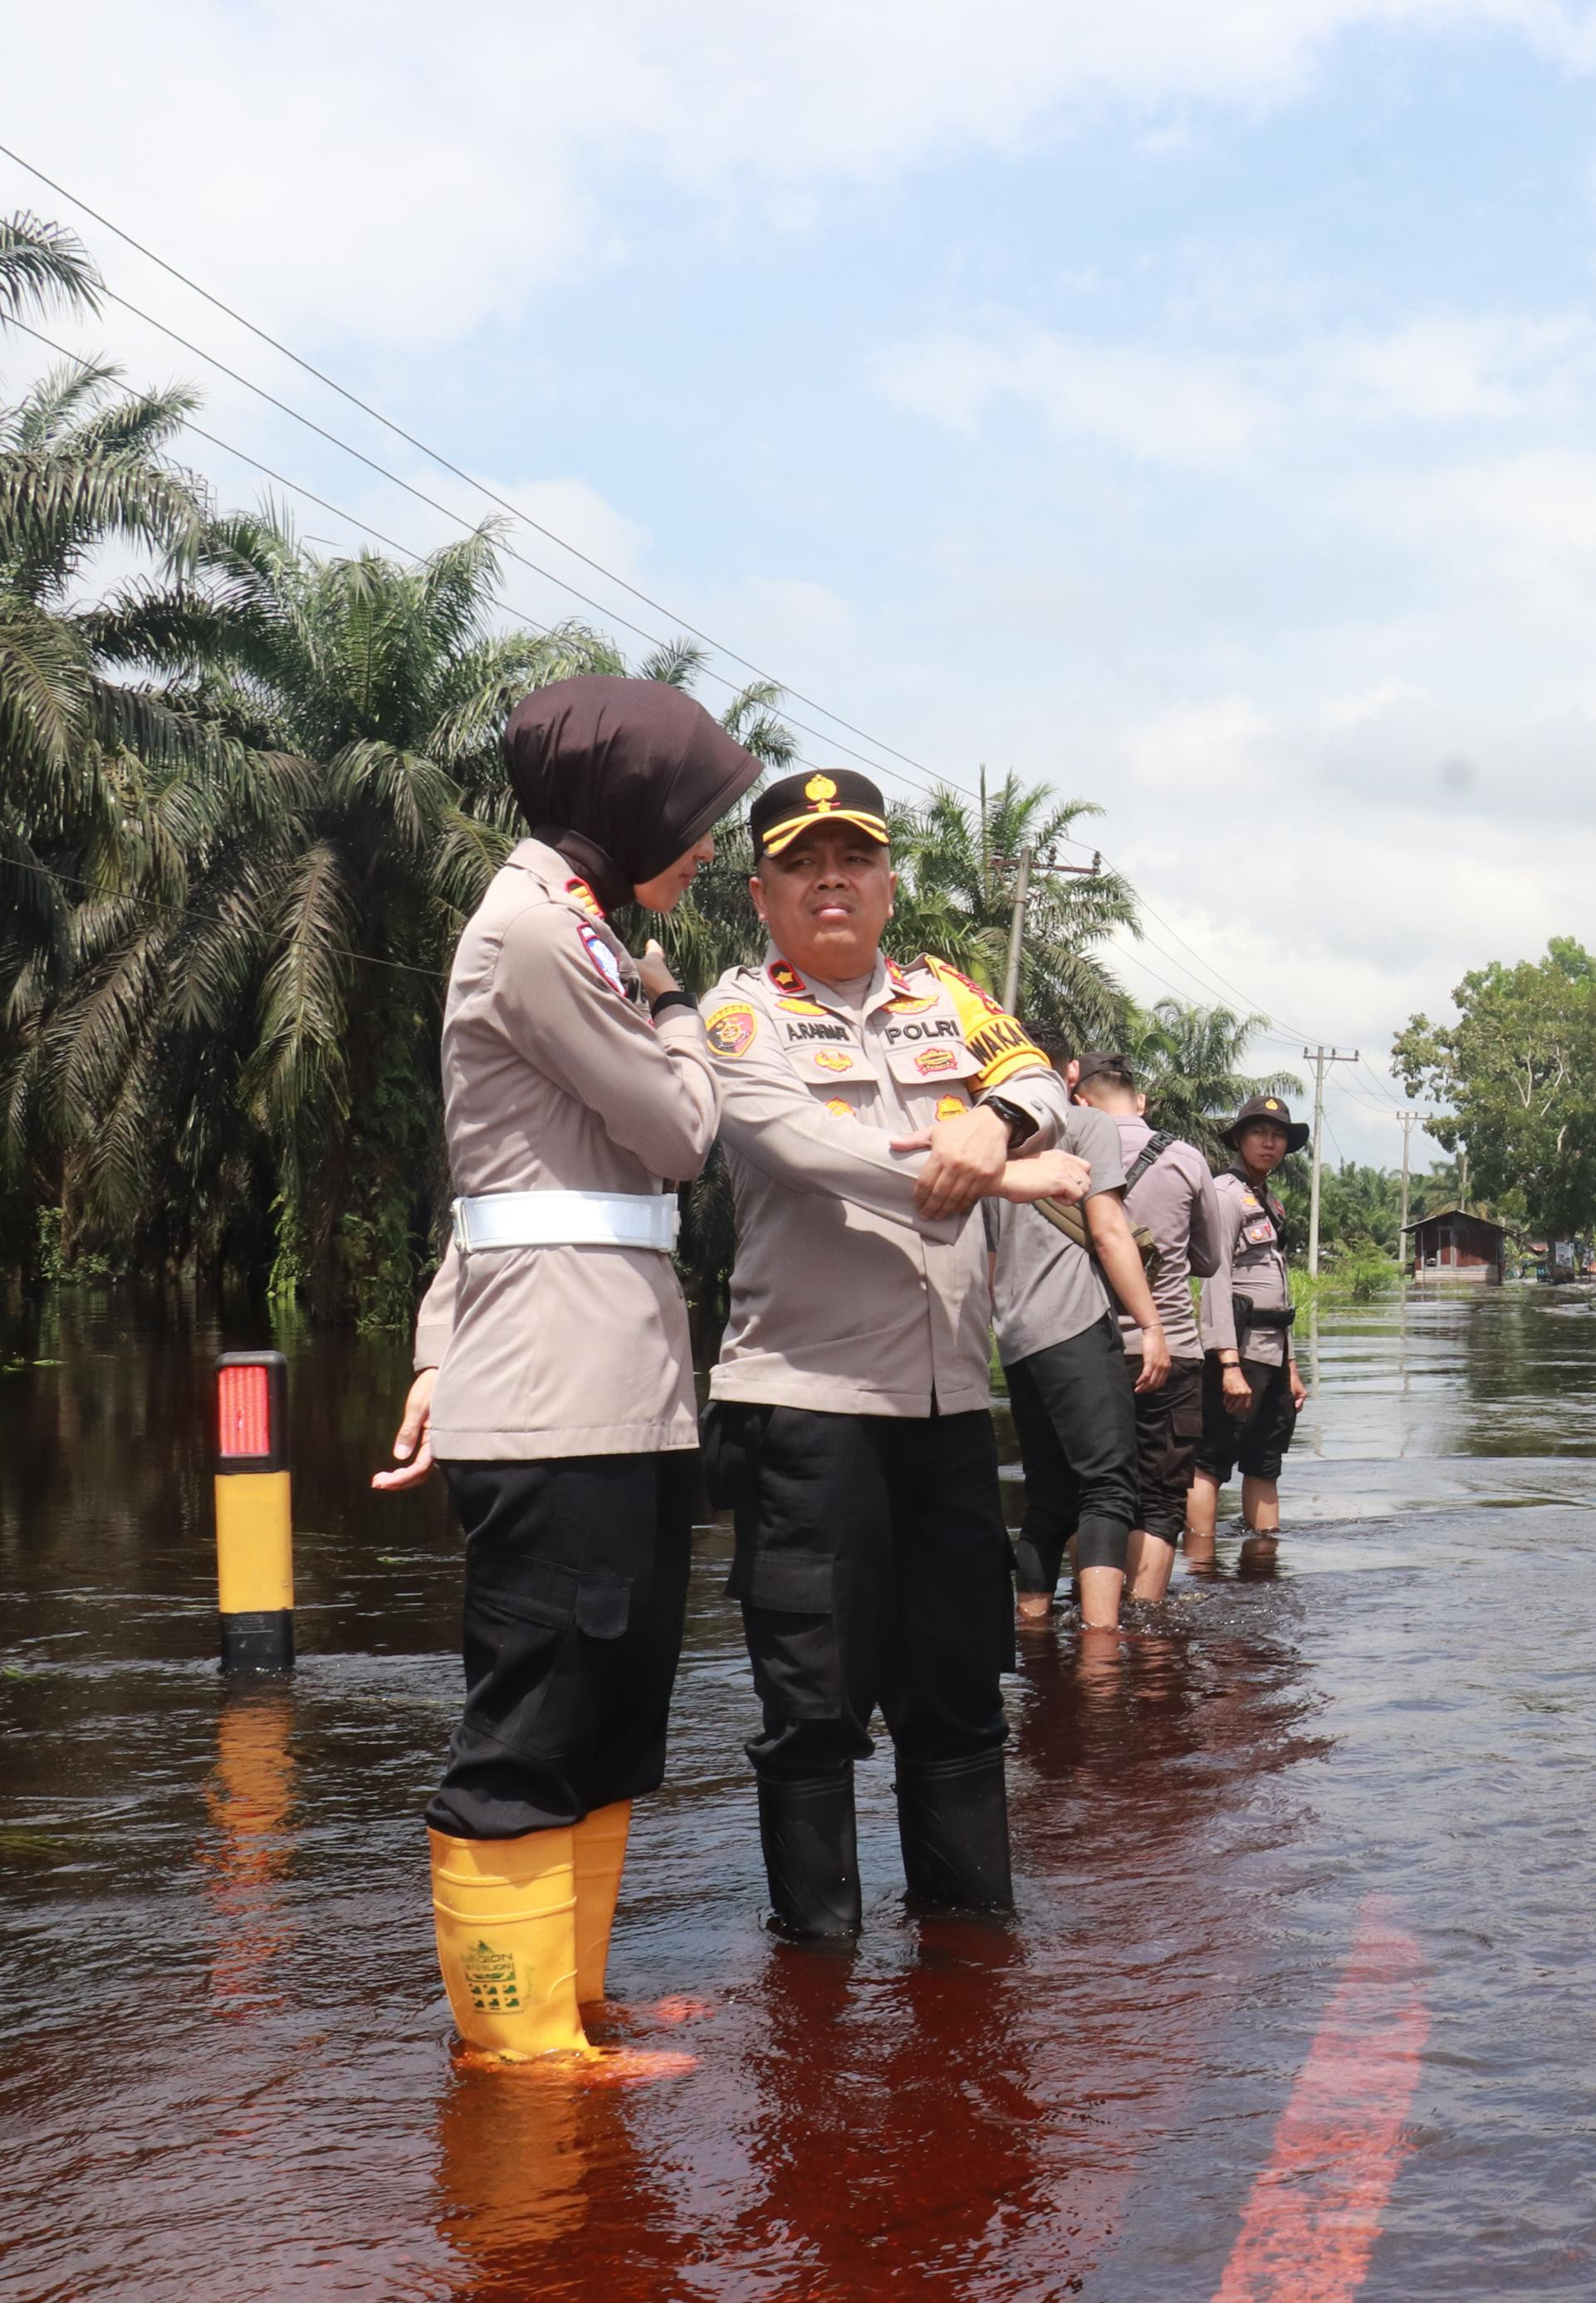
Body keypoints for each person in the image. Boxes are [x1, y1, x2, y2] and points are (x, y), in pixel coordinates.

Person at [374, 675, 759, 2068]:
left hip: (619, 1382)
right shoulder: (540, 932)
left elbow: (495, 1183)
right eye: (696, 811)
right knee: (531, 1718)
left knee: (610, 1708)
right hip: (556, 1394)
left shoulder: (576, 926)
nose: (710, 843)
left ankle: (568, 1998)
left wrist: (432, 1346)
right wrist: (677, 1012)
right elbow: (676, 1129)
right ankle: (515, 2045)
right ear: (623, 795)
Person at [692, 767, 1089, 1941]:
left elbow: (1034, 1079)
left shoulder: (944, 995)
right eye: (804, 863)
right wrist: (1001, 1172)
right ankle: (813, 1988)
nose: (832, 881)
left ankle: (968, 1959)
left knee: (961, 1698)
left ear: (887, 884)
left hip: (949, 1408)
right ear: (762, 893)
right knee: (812, 1711)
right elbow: (806, 1148)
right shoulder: (737, 1015)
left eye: (853, 859)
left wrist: (996, 1120)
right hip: (805, 1407)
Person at [991, 1034, 1168, 1632]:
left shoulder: (979, 1132)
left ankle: (1033, 1629)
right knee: (1110, 1486)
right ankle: (1100, 1654)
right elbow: (1110, 1230)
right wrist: (1150, 1324)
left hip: (1013, 1336)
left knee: (1049, 1498)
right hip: (1072, 1321)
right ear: (1067, 1072)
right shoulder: (1084, 1122)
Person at [1069, 1055, 1217, 1600]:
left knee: (1096, 1490)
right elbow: (1208, 1257)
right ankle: (1146, 1622)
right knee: (1160, 1498)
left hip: (1087, 1346)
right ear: (1141, 1101)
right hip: (1172, 1347)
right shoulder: (1186, 1159)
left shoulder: (1065, 1156)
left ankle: (1092, 1615)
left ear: (1079, 1100)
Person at [1193, 1094, 1309, 1564]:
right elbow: (1214, 1282)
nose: (1270, 1142)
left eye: (1279, 1135)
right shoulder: (1225, 1194)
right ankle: (1201, 1570)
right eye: (1260, 1133)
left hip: (1272, 1353)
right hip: (1238, 1352)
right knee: (1210, 1464)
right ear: (1239, 1139)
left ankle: (1264, 1565)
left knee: (1265, 1462)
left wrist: (1293, 1366)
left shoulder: (1268, 1202)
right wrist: (1227, 1363)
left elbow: (1279, 1293)